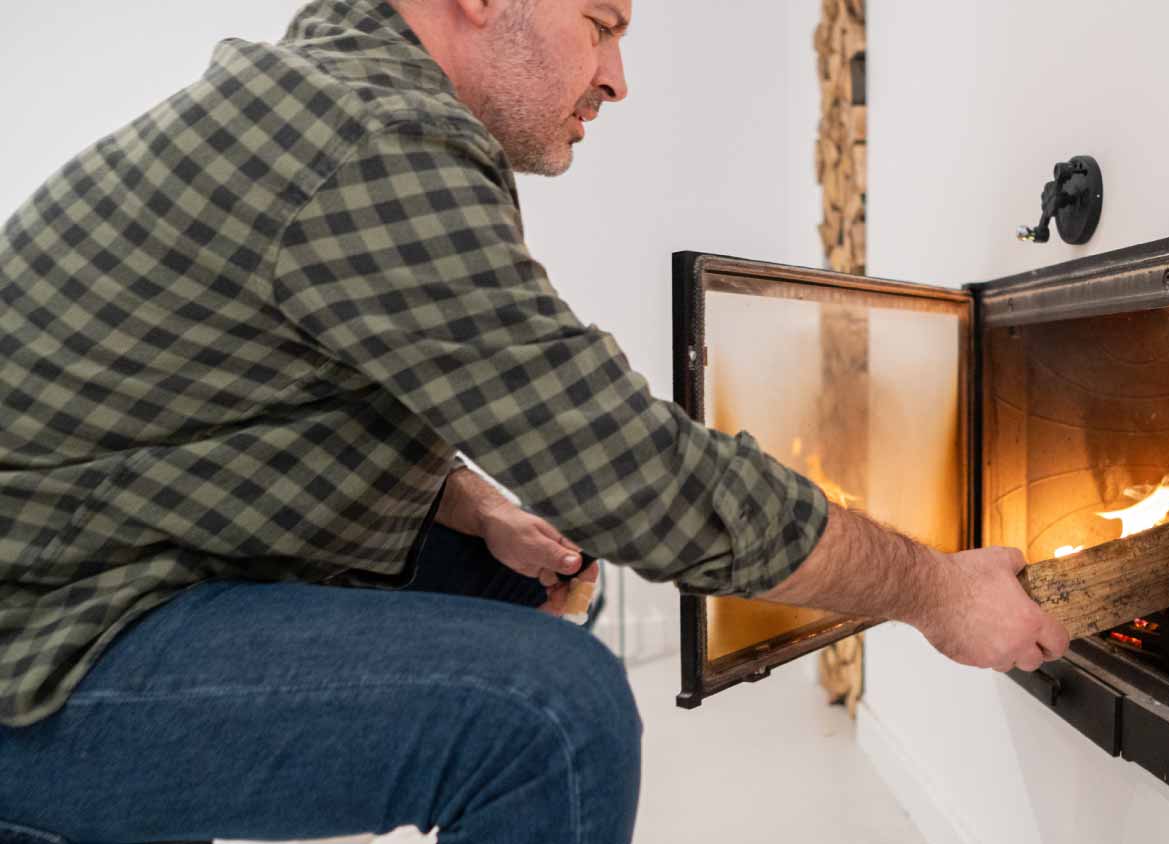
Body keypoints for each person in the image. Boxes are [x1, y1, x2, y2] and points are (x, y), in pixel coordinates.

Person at [0, 0, 1070, 841]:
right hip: (37, 649)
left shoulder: (333, 87)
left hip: (91, 558)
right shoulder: (369, 138)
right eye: (601, 24)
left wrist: (462, 504)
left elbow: (264, 389)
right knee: (554, 719)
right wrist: (934, 589)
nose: (616, 77)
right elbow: (631, 475)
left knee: (517, 571)